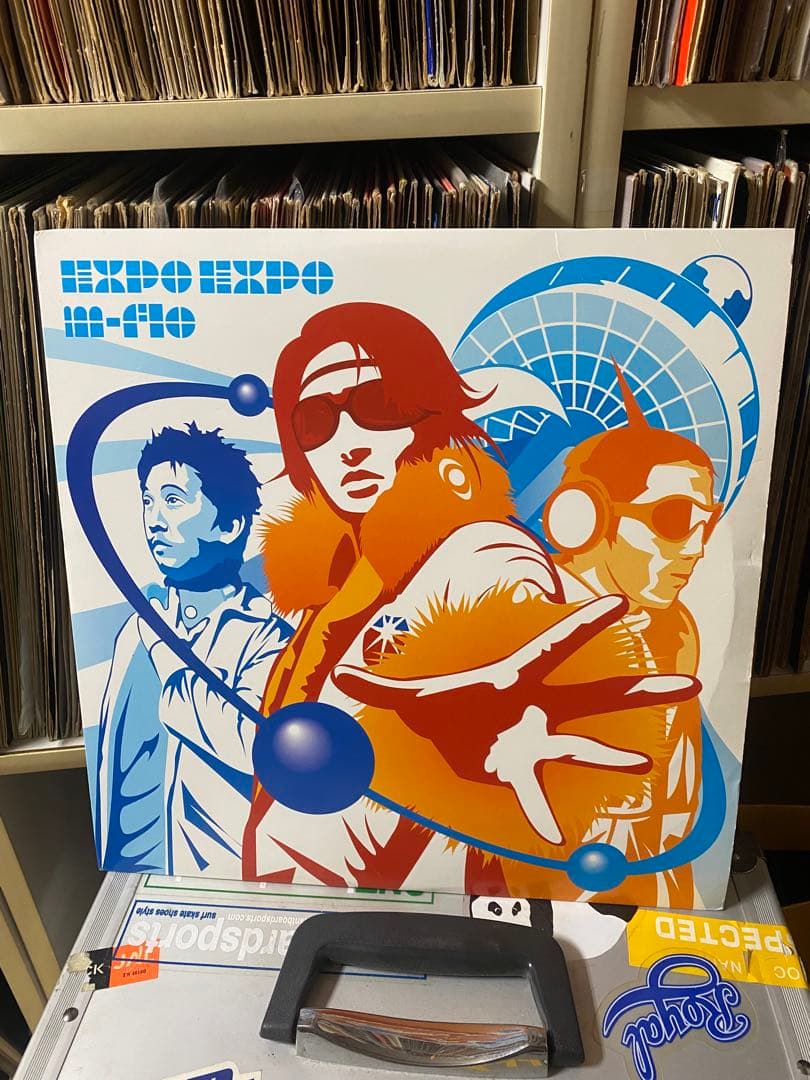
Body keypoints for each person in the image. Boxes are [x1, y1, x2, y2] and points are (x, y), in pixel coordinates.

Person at [242, 303, 699, 899]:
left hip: (421, 909)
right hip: (314, 900)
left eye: (379, 405)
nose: (348, 444)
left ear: (432, 413)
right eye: (314, 422)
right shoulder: (339, 596)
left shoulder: (482, 556)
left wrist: (497, 753)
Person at [540, 363, 721, 905]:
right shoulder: (522, 618)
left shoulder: (677, 631)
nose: (697, 548)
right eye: (674, 518)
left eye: (706, 522)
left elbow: (673, 812)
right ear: (585, 517)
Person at [97, 423, 289, 875]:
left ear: (229, 526)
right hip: (137, 878)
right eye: (148, 501)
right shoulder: (134, 632)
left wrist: (166, 648)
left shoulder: (268, 636)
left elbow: (250, 746)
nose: (153, 519)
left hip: (225, 885)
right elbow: (115, 766)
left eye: (173, 500)